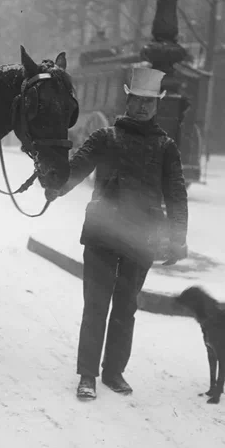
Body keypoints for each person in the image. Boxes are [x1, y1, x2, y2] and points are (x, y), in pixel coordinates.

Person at [46, 64, 189, 400]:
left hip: (141, 237)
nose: (142, 107)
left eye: (148, 103)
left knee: (126, 308)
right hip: (102, 234)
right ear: (128, 102)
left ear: (156, 106)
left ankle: (113, 373)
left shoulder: (165, 146)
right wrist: (55, 185)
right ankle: (87, 375)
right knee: (96, 306)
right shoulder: (104, 138)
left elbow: (176, 193)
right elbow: (76, 170)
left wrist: (177, 237)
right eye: (137, 100)